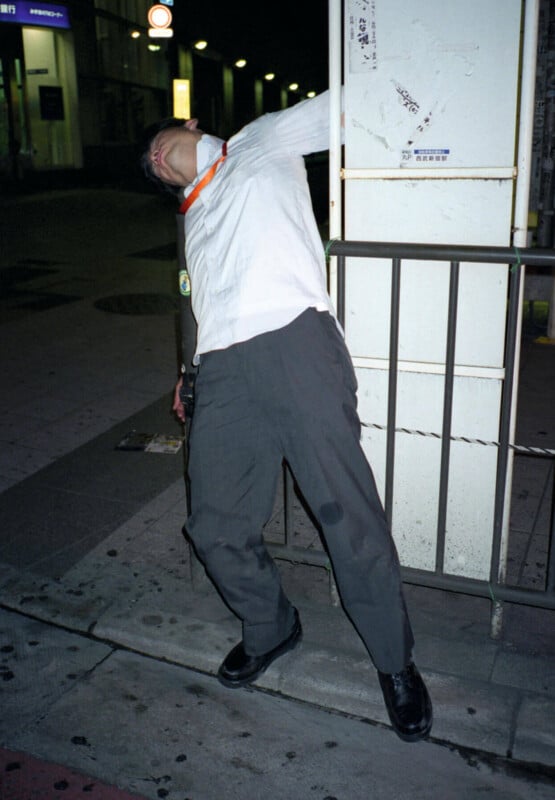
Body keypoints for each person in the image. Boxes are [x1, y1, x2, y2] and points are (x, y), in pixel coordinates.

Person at [141, 90, 432, 743]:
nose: (154, 159)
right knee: (213, 525)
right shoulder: (191, 216)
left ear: (189, 125)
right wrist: (189, 373)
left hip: (295, 345)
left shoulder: (259, 144)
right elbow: (205, 300)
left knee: (345, 516)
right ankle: (271, 626)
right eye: (149, 167)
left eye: (158, 143)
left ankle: (395, 663)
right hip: (223, 371)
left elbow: (357, 105)